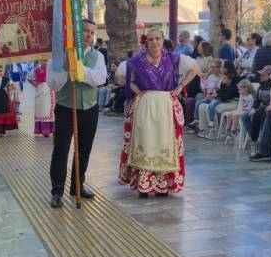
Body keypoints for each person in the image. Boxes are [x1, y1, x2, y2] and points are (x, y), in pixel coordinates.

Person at [118, 29, 199, 198]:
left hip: (166, 106)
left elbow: (194, 69)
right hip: (145, 106)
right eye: (151, 39)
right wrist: (136, 90)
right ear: (146, 42)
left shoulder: (173, 58)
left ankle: (163, 184)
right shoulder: (136, 61)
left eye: (157, 39)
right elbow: (121, 77)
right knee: (146, 143)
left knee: (164, 143)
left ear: (163, 41)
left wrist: (180, 87)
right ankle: (143, 185)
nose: (154, 42)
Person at [48, 20, 107, 208]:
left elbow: (99, 79)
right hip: (66, 107)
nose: (88, 35)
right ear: (76, 34)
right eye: (85, 31)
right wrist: (65, 69)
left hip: (89, 108)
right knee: (61, 150)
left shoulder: (98, 56)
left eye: (91, 32)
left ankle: (77, 186)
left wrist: (79, 68)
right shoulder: (59, 56)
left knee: (84, 150)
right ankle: (57, 190)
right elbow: (52, 84)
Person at [196, 60, 240, 139]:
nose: (220, 68)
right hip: (224, 99)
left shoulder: (235, 78)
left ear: (226, 69)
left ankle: (214, 131)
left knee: (209, 106)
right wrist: (214, 95)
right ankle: (206, 129)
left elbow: (230, 94)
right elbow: (222, 91)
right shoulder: (224, 77)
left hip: (232, 101)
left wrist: (216, 96)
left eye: (222, 67)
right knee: (202, 105)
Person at [241, 65, 271, 152]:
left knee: (258, 116)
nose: (260, 77)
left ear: (269, 76)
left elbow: (270, 103)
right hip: (260, 107)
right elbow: (257, 100)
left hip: (268, 108)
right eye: (260, 75)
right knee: (245, 116)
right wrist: (253, 108)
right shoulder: (261, 86)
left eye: (263, 75)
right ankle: (254, 137)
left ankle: (258, 140)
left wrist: (256, 110)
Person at [27, 60, 56, 137]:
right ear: (40, 61)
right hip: (39, 92)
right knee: (41, 110)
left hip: (49, 92)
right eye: (43, 61)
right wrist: (35, 84)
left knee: (49, 110)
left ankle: (53, 130)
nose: (45, 62)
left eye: (46, 61)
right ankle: (44, 131)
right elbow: (28, 78)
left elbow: (56, 79)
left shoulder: (51, 69)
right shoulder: (35, 70)